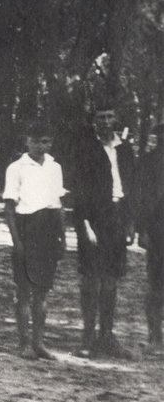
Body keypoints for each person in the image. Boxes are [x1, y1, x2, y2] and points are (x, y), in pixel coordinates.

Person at [64, 104, 136, 359]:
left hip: (118, 217)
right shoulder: (85, 149)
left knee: (111, 280)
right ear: (94, 122)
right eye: (100, 118)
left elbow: (131, 187)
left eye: (109, 116)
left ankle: (107, 336)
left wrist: (130, 223)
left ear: (116, 119)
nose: (105, 122)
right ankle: (87, 339)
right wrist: (84, 224)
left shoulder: (125, 150)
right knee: (91, 280)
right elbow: (78, 190)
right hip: (94, 219)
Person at [2, 120, 66, 360]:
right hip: (27, 227)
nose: (41, 145)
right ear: (27, 140)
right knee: (24, 289)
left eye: (46, 141)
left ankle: (39, 342)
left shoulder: (54, 167)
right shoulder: (17, 168)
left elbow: (58, 205)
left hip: (49, 229)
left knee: (42, 291)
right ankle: (24, 342)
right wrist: (17, 241)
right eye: (36, 140)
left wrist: (62, 238)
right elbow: (9, 207)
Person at [139, 122, 164, 355]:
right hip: (158, 232)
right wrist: (143, 230)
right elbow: (143, 200)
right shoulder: (149, 162)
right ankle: (155, 337)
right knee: (156, 285)